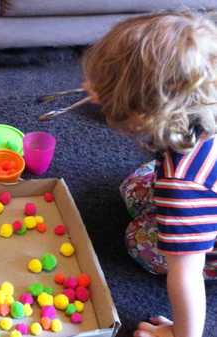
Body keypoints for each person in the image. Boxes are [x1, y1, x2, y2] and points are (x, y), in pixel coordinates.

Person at [82, 11, 217, 337]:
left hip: (205, 231)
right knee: (133, 187)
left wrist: (179, 334)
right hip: (204, 183)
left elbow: (187, 276)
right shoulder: (201, 91)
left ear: (143, 112)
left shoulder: (181, 184)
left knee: (138, 241)